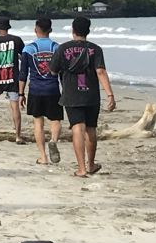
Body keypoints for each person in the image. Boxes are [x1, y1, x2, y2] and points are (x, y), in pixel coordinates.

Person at [49, 16, 116, 178]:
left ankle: (81, 169)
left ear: (73, 31)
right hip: (91, 95)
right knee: (91, 129)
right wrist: (110, 94)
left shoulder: (63, 49)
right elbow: (100, 71)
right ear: (88, 31)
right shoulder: (96, 49)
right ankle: (91, 164)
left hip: (71, 94)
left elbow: (53, 71)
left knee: (78, 128)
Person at [19, 17, 63, 165]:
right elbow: (62, 72)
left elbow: (23, 74)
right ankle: (53, 140)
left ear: (35, 30)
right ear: (50, 30)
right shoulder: (57, 48)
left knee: (38, 122)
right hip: (53, 89)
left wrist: (21, 94)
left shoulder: (28, 49)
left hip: (36, 90)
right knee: (55, 120)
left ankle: (43, 157)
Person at [0, 16, 25, 143]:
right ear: (8, 27)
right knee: (14, 105)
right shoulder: (17, 40)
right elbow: (22, 57)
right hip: (13, 77)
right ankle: (18, 135)